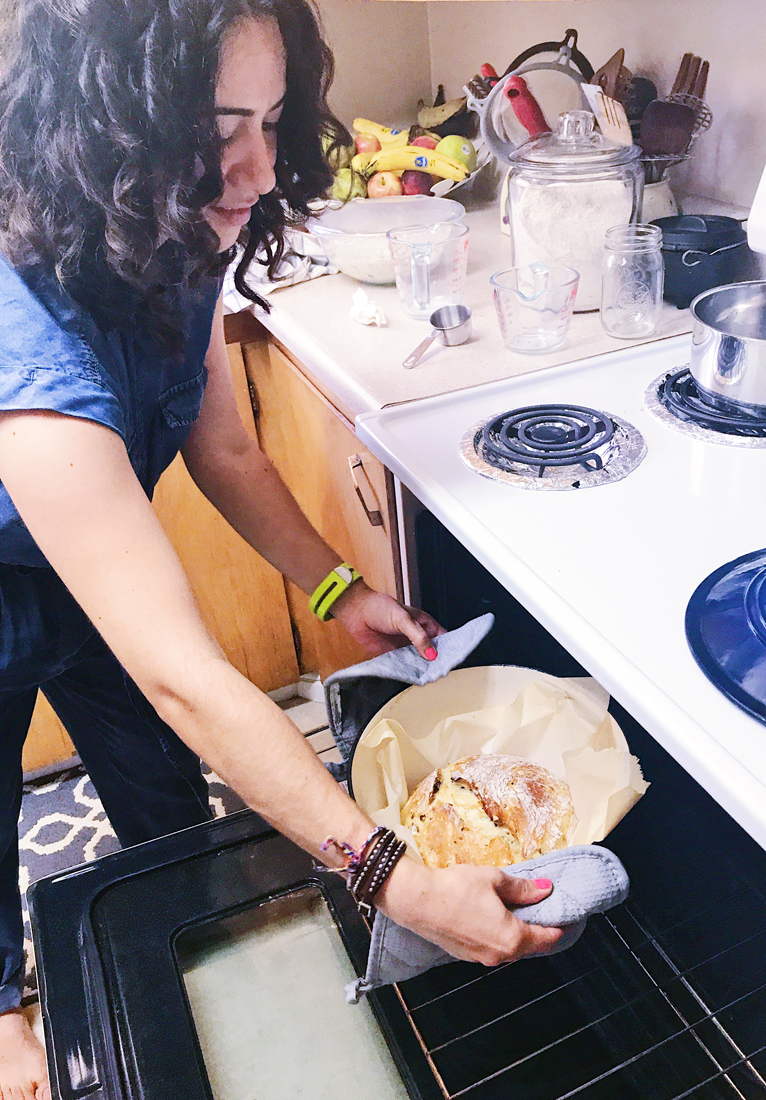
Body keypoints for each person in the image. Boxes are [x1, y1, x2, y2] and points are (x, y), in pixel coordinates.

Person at [0, 1, 565, 1096]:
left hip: (90, 567)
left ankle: (213, 949)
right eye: (217, 134)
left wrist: (341, 586)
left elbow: (226, 448)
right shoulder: (30, 338)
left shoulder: (165, 235)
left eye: (269, 121)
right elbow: (186, 677)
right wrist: (384, 871)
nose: (255, 169)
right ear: (111, 133)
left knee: (165, 789)